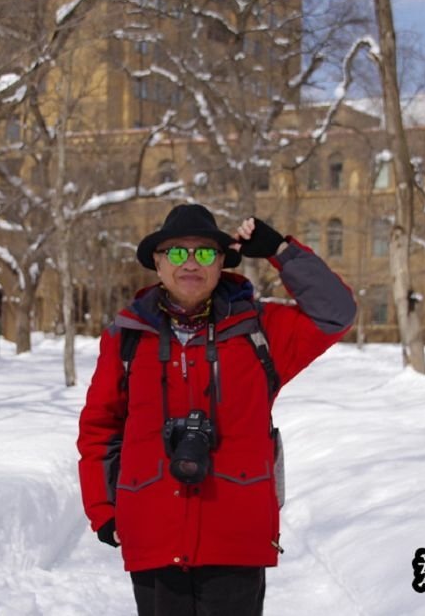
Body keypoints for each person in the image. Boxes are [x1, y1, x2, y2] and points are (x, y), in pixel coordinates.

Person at [77, 203, 356, 615]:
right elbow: (101, 429)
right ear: (157, 261)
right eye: (176, 252)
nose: (191, 262)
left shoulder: (259, 331)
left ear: (222, 261)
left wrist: (281, 250)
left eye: (205, 252)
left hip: (236, 537)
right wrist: (104, 511)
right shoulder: (128, 337)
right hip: (153, 531)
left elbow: (337, 313)